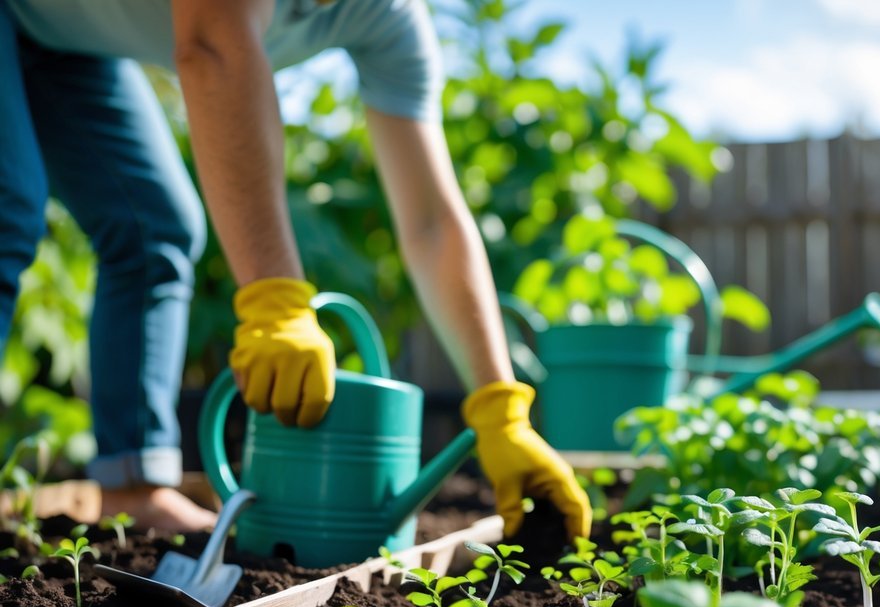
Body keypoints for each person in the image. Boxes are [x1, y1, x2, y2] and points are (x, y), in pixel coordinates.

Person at [0, 0, 591, 540]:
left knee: (153, 229)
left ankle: (130, 490)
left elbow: (432, 221)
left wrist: (499, 406)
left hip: (63, 37)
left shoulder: (390, 19)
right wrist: (275, 300)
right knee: (8, 206)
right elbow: (210, 45)